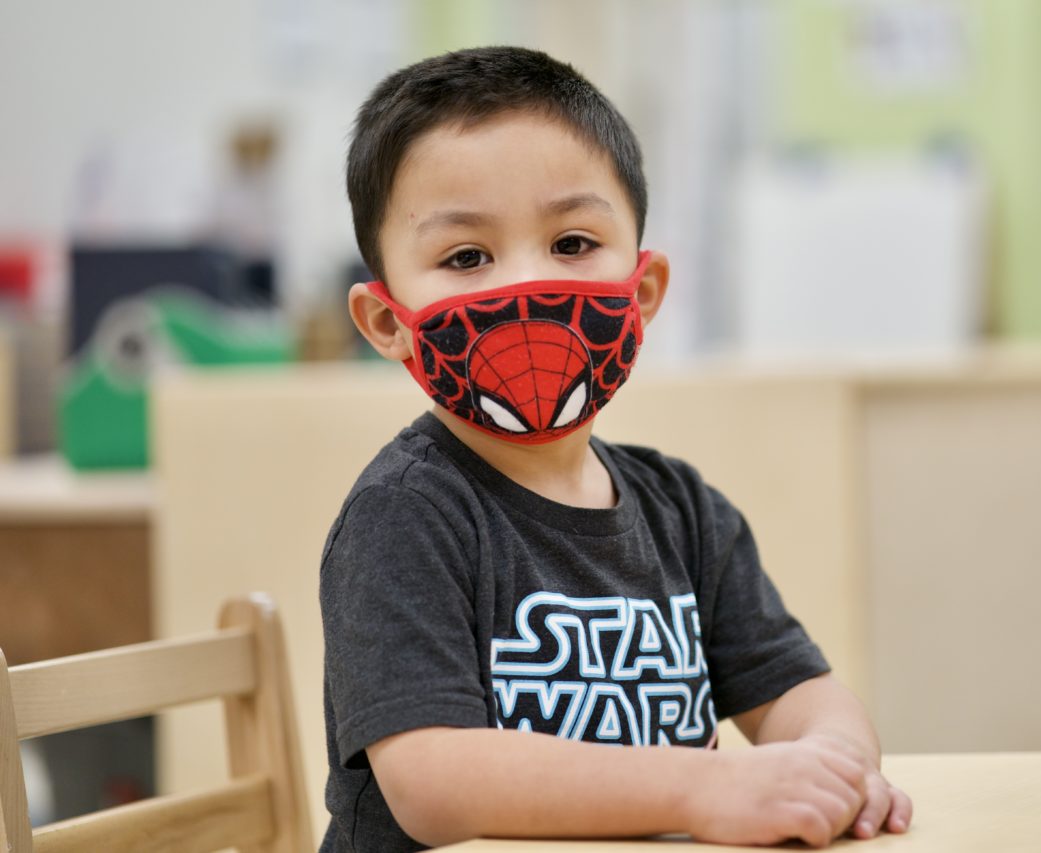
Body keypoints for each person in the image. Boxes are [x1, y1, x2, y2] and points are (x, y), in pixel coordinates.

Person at [321, 46, 913, 852]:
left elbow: (797, 692)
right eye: (466, 257)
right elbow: (433, 782)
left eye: (572, 243)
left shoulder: (685, 510)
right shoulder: (405, 514)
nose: (524, 287)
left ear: (640, 292)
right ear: (389, 322)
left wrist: (835, 764)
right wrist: (703, 787)